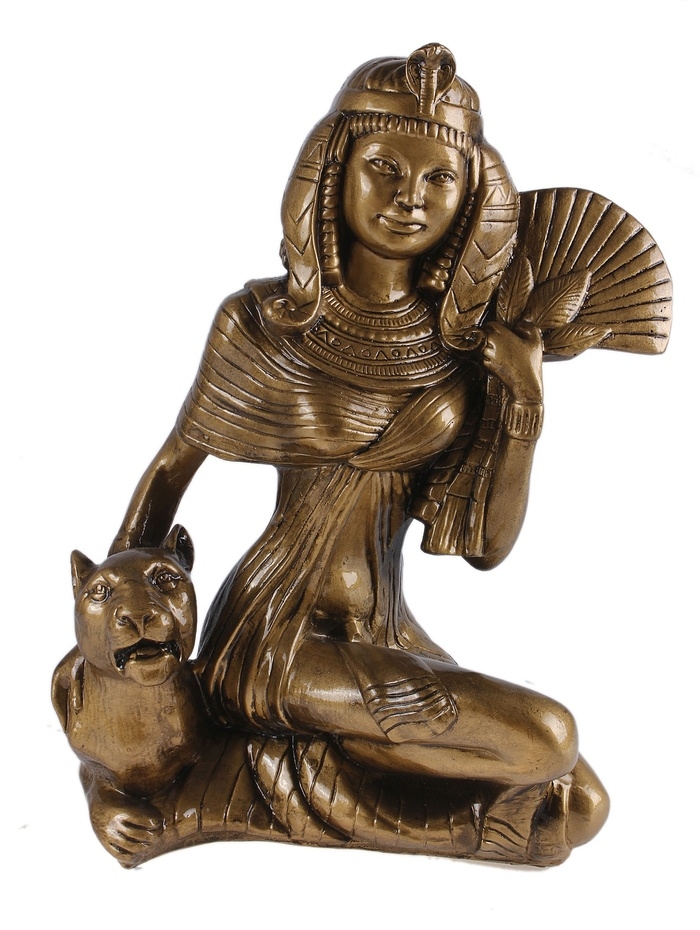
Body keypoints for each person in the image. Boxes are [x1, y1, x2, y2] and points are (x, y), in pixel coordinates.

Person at [111, 44, 608, 853]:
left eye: (439, 178)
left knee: (580, 799)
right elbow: (172, 470)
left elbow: (487, 549)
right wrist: (112, 622)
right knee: (548, 739)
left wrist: (525, 401)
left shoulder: (463, 352)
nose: (411, 198)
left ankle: (297, 770)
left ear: (474, 196)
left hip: (383, 633)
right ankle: (345, 795)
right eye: (385, 168)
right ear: (333, 170)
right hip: (280, 634)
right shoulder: (262, 323)